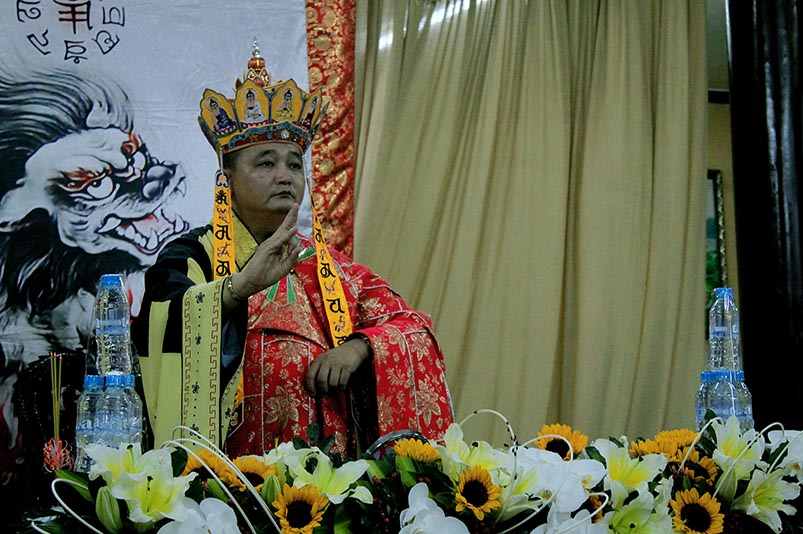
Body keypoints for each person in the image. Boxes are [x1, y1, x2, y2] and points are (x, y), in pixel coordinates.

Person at [132, 44, 453, 457]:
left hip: (328, 484)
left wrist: (359, 348)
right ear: (227, 179)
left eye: (294, 164)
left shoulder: (334, 272)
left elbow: (412, 329)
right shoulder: (193, 256)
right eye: (266, 164)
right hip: (228, 477)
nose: (285, 176)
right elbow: (162, 319)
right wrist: (236, 289)